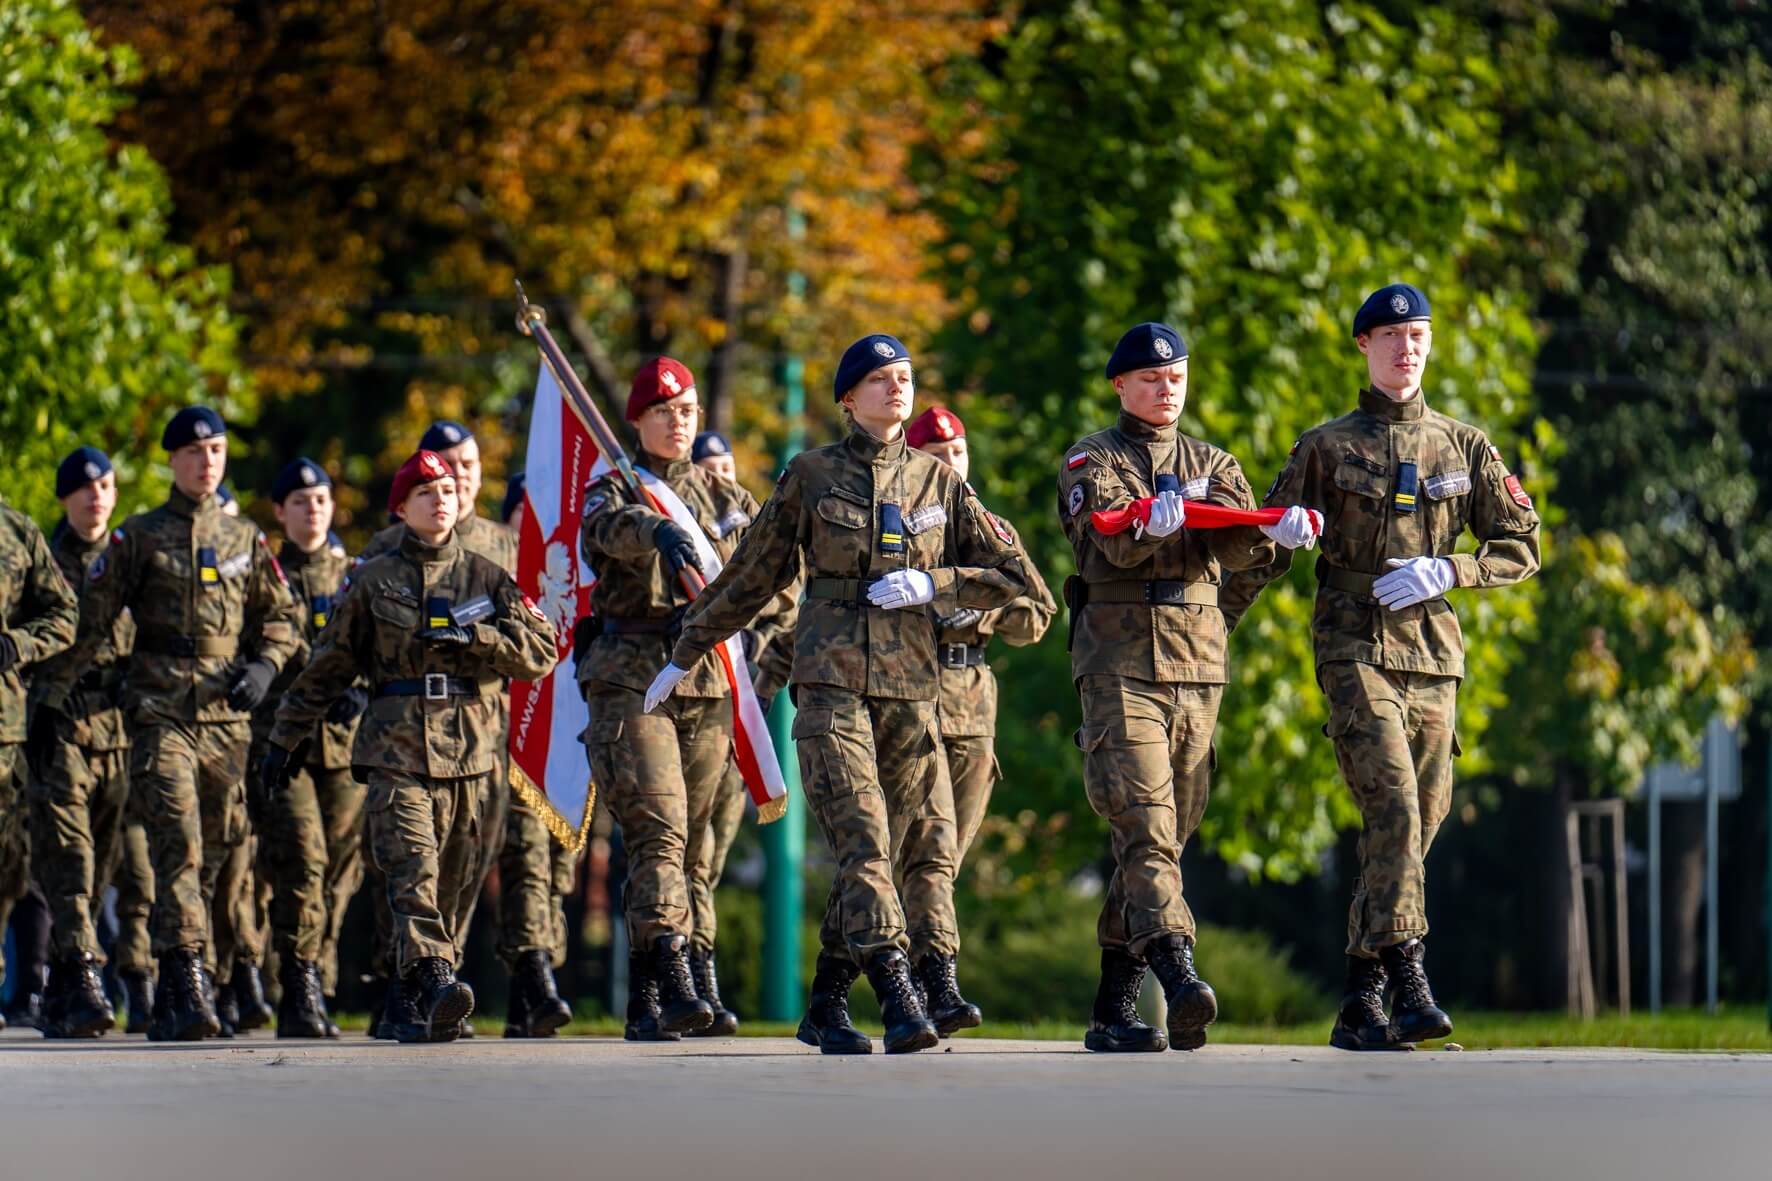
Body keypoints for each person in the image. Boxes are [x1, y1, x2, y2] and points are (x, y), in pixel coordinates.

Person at [645, 333, 1027, 1055]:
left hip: (914, 693)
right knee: (862, 840)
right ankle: (895, 987)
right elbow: (751, 573)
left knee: (882, 849)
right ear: (849, 398)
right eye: (879, 379)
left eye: (905, 376)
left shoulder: (941, 483)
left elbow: (1024, 591)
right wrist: (688, 645)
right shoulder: (811, 476)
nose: (896, 388)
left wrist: (938, 583)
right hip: (828, 688)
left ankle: (825, 999)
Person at [1220, 283, 1541, 1050]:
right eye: (1390, 335)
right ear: (1363, 346)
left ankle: (1360, 1000)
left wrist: (1453, 571)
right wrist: (1215, 617)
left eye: (1418, 335)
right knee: (1394, 803)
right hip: (1352, 642)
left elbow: (1522, 544)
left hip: (1432, 650)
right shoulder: (1326, 446)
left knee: (1415, 824)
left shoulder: (1465, 447)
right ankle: (1408, 971)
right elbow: (1260, 547)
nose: (1406, 348)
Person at [261, 449, 558, 1043]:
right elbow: (328, 666)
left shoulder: (486, 575)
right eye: (425, 492)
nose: (441, 498)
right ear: (401, 508)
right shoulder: (372, 579)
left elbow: (542, 651)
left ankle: (409, 1000)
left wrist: (475, 636)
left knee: (455, 881)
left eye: (447, 489)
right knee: (412, 868)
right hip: (395, 747)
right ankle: (433, 975)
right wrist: (285, 736)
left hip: (471, 749)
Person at [36, 406, 302, 1041]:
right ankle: (181, 978)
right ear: (173, 461)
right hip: (158, 715)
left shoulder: (246, 540)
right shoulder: (140, 537)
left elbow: (283, 617)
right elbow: (89, 625)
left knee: (215, 852)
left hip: (224, 720)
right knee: (176, 844)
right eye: (194, 451)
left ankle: (188, 972)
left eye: (217, 450)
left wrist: (265, 666)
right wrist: (46, 699)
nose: (207, 461)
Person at [1056, 322, 1278, 1053]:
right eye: (1151, 378)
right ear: (1122, 385)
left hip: (1197, 669)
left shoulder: (1215, 461)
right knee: (1147, 823)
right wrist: (1154, 523)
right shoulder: (1095, 456)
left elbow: (1243, 548)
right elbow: (1110, 539)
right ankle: (1179, 971)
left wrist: (1277, 533)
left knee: (1163, 837)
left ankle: (1114, 1004)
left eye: (1176, 375)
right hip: (1121, 668)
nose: (1165, 387)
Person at [578, 363, 791, 1041]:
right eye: (664, 409)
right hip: (634, 677)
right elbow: (601, 533)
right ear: (638, 420)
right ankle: (674, 969)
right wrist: (654, 531)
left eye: (689, 408)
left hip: (708, 677)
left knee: (692, 842)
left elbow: (780, 576)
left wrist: (760, 635)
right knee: (659, 827)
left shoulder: (729, 497)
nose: (679, 420)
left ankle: (653, 993)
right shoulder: (614, 487)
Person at [900, 405, 1057, 1033]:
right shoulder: (903, 524)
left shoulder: (991, 530)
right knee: (929, 848)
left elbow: (1039, 612)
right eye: (936, 455)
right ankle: (936, 979)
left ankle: (905, 975)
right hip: (911, 694)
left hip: (972, 702)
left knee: (946, 856)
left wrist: (982, 614)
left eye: (958, 451)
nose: (950, 463)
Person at [247, 458, 367, 1037]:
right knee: (302, 860)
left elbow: (377, 642)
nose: (312, 509)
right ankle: (295, 982)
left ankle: (318, 977)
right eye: (300, 500)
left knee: (340, 872)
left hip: (342, 748)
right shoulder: (261, 571)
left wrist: (361, 692)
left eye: (320, 499)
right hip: (284, 743)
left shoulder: (356, 573)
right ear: (280, 511)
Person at [26, 447, 136, 1037]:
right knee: (69, 856)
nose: (97, 495)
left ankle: (65, 981)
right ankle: (84, 973)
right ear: (65, 497)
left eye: (106, 485)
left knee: (103, 862)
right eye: (85, 487)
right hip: (59, 721)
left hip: (117, 727)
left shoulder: (132, 558)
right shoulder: (42, 563)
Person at [1, 489, 79, 1028]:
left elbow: (64, 612)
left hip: (2, 731)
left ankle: (24, 980)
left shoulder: (16, 531)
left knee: (10, 863)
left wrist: (19, 644)